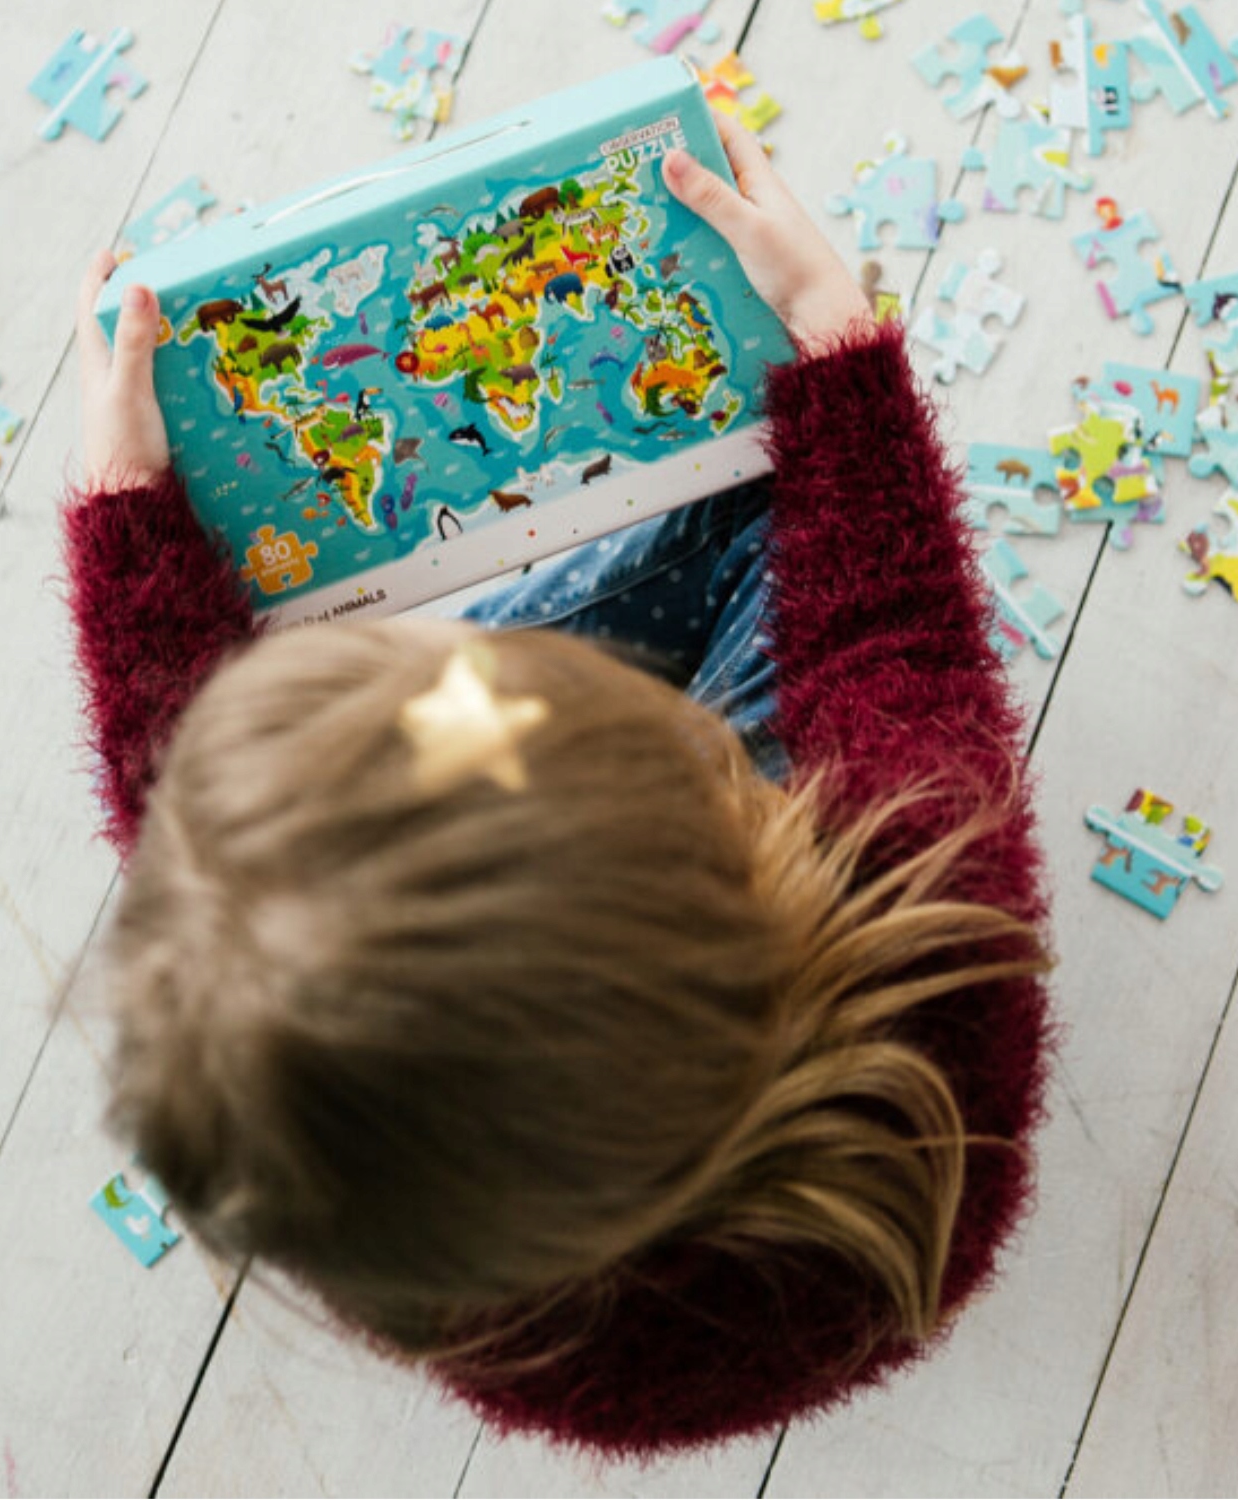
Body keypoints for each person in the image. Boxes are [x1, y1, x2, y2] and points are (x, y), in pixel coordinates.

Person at [65, 113, 1054, 1456]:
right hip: (816, 935)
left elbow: (232, 876)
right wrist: (836, 348)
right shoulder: (931, 928)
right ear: (704, 832)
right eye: (467, 702)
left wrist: (133, 509)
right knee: (790, 494)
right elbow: (894, 639)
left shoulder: (352, 1172)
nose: (441, 667)